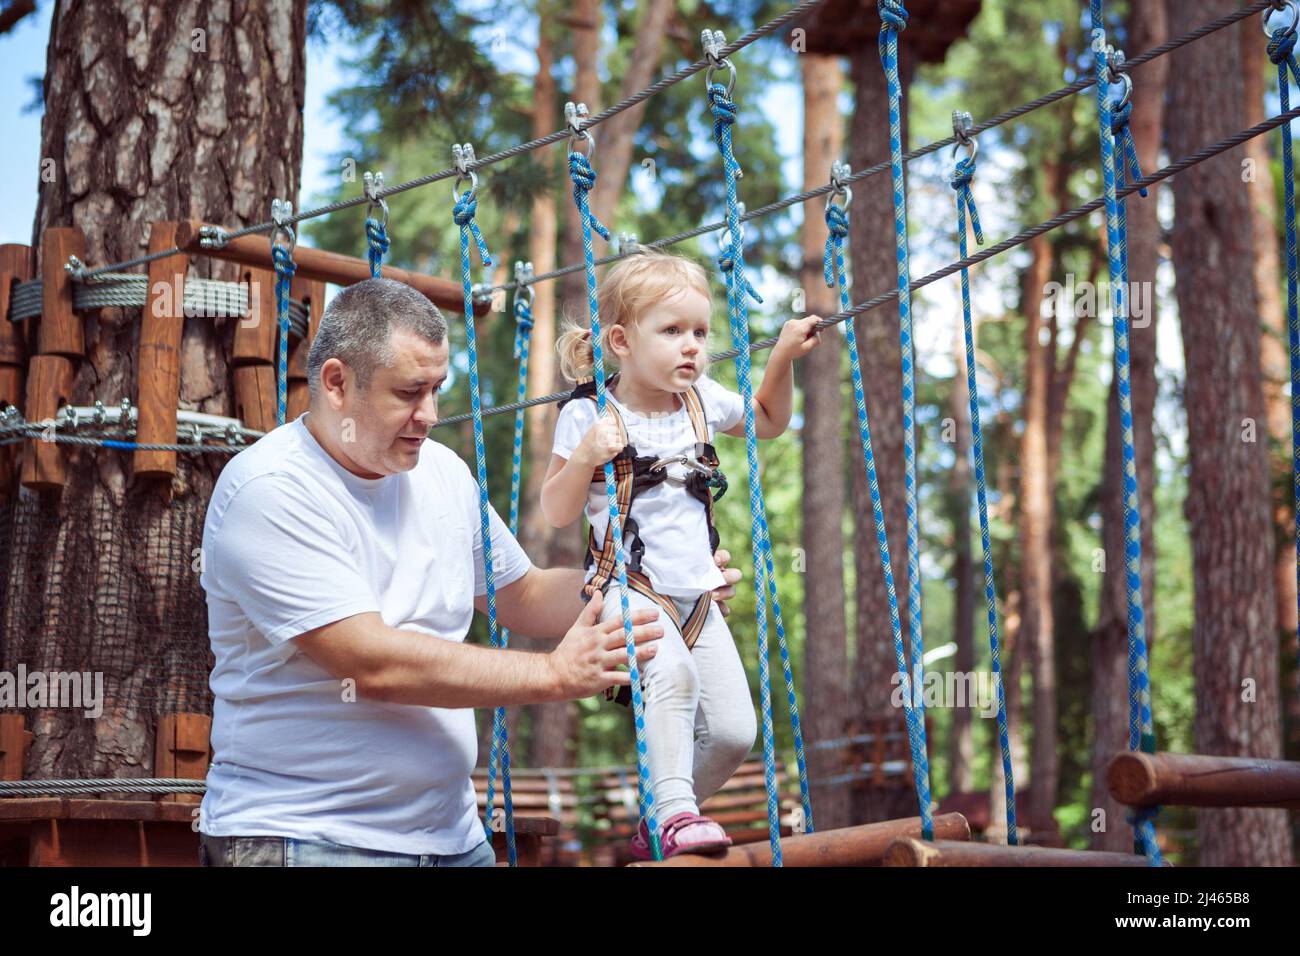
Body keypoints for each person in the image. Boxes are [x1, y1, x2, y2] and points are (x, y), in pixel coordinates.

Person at [197, 277, 739, 867]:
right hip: (306, 838)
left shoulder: (441, 472)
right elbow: (373, 664)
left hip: (452, 839)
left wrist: (657, 585)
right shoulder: (272, 489)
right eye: (409, 392)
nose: (429, 414)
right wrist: (556, 674)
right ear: (336, 383)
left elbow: (526, 595)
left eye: (437, 389)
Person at [541, 251, 821, 859]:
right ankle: (674, 816)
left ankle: (661, 815)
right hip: (626, 587)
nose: (691, 346)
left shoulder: (704, 402)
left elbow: (771, 420)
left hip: (697, 597)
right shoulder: (588, 414)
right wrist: (588, 455)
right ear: (621, 340)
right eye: (671, 331)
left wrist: (781, 357)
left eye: (700, 331)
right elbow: (557, 511)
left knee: (731, 732)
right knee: (672, 674)